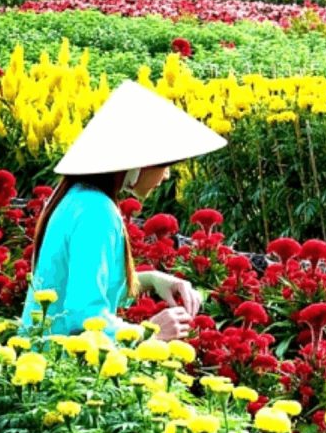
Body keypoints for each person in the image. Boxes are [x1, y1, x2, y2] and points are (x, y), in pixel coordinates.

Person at [20, 80, 227, 340]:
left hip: (40, 358)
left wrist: (151, 280)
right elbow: (84, 319)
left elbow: (83, 287)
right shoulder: (97, 212)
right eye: (165, 165)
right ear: (138, 162)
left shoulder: (77, 197)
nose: (166, 176)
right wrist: (150, 332)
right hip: (61, 367)